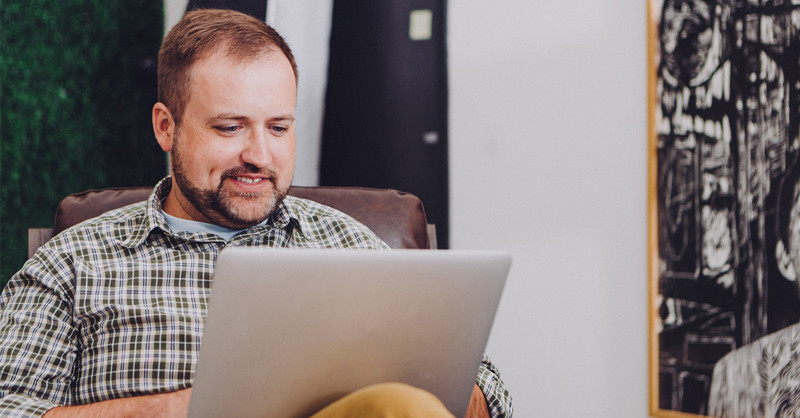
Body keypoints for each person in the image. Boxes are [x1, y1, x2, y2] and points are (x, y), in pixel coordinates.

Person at [0, 9, 512, 418]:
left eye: (278, 128)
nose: (260, 156)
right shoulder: (72, 263)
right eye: (229, 127)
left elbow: (491, 396)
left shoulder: (347, 244)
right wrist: (193, 409)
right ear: (165, 127)